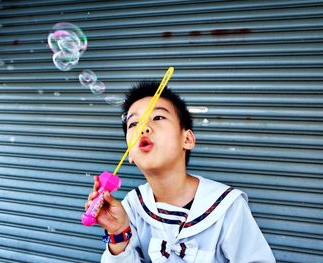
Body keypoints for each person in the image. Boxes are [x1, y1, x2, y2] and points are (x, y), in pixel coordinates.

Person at [85, 80, 275, 262]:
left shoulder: (227, 206)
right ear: (130, 155)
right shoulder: (132, 207)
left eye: (158, 117)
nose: (144, 128)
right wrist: (119, 233)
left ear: (188, 139)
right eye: (134, 124)